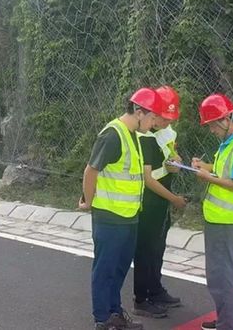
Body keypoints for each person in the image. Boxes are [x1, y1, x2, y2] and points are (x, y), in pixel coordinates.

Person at [79, 88, 163, 330]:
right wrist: (87, 200)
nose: (155, 122)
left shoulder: (133, 135)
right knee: (105, 269)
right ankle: (102, 319)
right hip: (109, 216)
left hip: (128, 216)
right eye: (152, 117)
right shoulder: (113, 135)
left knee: (119, 268)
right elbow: (91, 170)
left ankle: (115, 313)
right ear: (139, 112)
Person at [190, 94, 233, 330]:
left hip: (228, 221)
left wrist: (208, 177)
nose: (211, 131)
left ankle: (229, 325)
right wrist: (205, 167)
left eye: (212, 125)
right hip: (218, 219)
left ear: (226, 118)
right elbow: (224, 172)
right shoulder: (230, 143)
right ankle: (224, 320)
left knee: (223, 277)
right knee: (217, 275)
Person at [132, 86, 187, 318]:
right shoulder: (143, 137)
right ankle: (142, 298)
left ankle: (155, 289)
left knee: (158, 247)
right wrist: (174, 198)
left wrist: (175, 162)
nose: (166, 122)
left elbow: (168, 159)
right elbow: (147, 179)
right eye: (163, 118)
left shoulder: (166, 132)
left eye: (170, 119)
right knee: (145, 249)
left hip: (162, 199)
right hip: (149, 201)